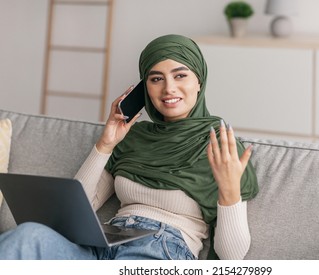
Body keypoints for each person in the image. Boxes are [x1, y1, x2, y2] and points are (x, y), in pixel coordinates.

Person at [0, 34, 259, 260]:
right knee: (28, 235)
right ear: (145, 88)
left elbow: (231, 255)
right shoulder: (133, 137)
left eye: (180, 75)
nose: (169, 88)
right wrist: (105, 144)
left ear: (199, 81)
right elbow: (79, 209)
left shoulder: (221, 145)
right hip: (103, 243)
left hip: (160, 251)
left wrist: (229, 191)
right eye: (156, 78)